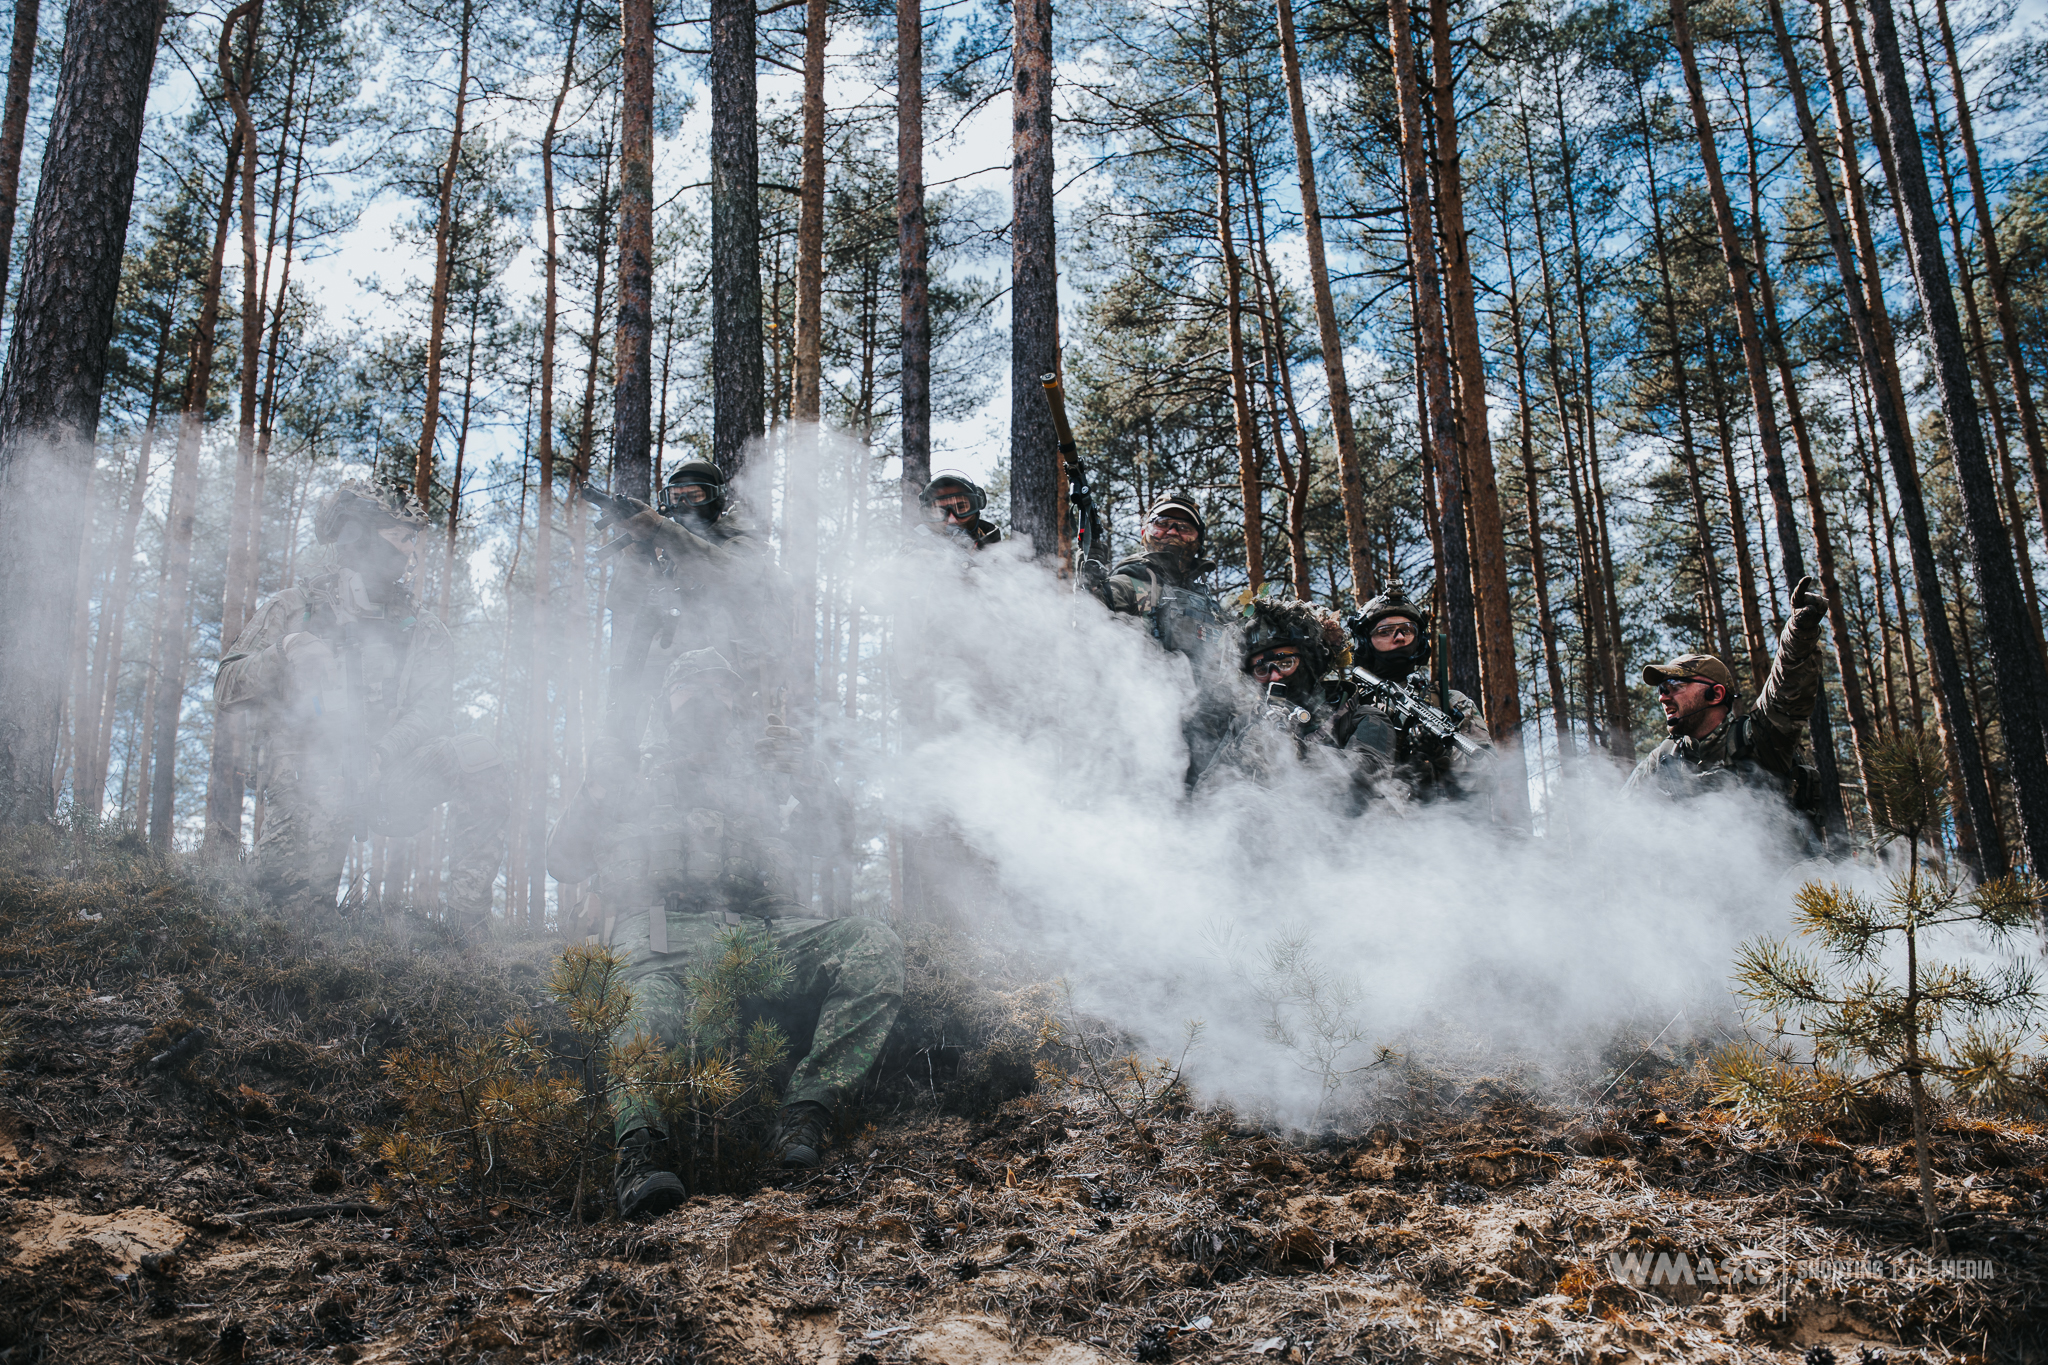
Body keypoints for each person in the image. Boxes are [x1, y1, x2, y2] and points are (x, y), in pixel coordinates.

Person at [547, 648, 904, 1218]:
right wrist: (594, 791)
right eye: (692, 687)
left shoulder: (766, 772)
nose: (708, 698)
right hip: (661, 940)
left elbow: (837, 843)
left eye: (722, 688)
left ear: (739, 701)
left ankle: (803, 1117)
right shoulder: (631, 772)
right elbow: (562, 861)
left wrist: (810, 776)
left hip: (768, 934)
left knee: (872, 945)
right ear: (667, 700)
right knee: (637, 1013)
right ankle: (640, 1153)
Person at [214, 481, 508, 924]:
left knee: (478, 758)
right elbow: (226, 687)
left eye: (414, 540)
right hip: (306, 780)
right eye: (401, 537)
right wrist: (285, 651)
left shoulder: (423, 629)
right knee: (288, 929)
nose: (410, 551)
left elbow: (431, 713)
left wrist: (381, 752)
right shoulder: (294, 608)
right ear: (361, 536)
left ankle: (464, 929)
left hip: (388, 776)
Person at [1625, 575, 1829, 821]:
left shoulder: (1758, 737)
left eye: (1675, 685)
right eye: (1661, 689)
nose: (1663, 697)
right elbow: (1619, 820)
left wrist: (1800, 631)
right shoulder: (1664, 759)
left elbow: (1786, 685)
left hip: (1783, 859)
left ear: (1716, 694)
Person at [1086, 493, 1235, 781]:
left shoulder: (1212, 607)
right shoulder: (1128, 584)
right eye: (1162, 523)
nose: (1173, 532)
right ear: (1145, 532)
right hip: (1140, 734)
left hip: (1209, 743)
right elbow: (1090, 625)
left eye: (1184, 527)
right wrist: (1091, 587)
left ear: (1197, 539)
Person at [1199, 597, 1380, 809]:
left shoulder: (1360, 715)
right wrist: (1237, 752)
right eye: (1261, 669)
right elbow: (1204, 798)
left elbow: (1373, 774)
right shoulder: (1244, 724)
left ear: (1312, 661)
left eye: (1286, 663)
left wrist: (1300, 752)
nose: (1274, 676)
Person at [1336, 594, 1490, 801]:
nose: (1399, 637)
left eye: (1407, 630)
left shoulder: (1451, 702)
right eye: (1385, 631)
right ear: (1364, 642)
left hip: (1442, 824)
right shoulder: (1346, 702)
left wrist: (1442, 753)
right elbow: (1324, 768)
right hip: (1366, 823)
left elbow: (1489, 776)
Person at [916, 471, 1002, 551]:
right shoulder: (915, 555)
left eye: (961, 507)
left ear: (975, 508)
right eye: (940, 511)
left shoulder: (1002, 559)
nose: (952, 519)